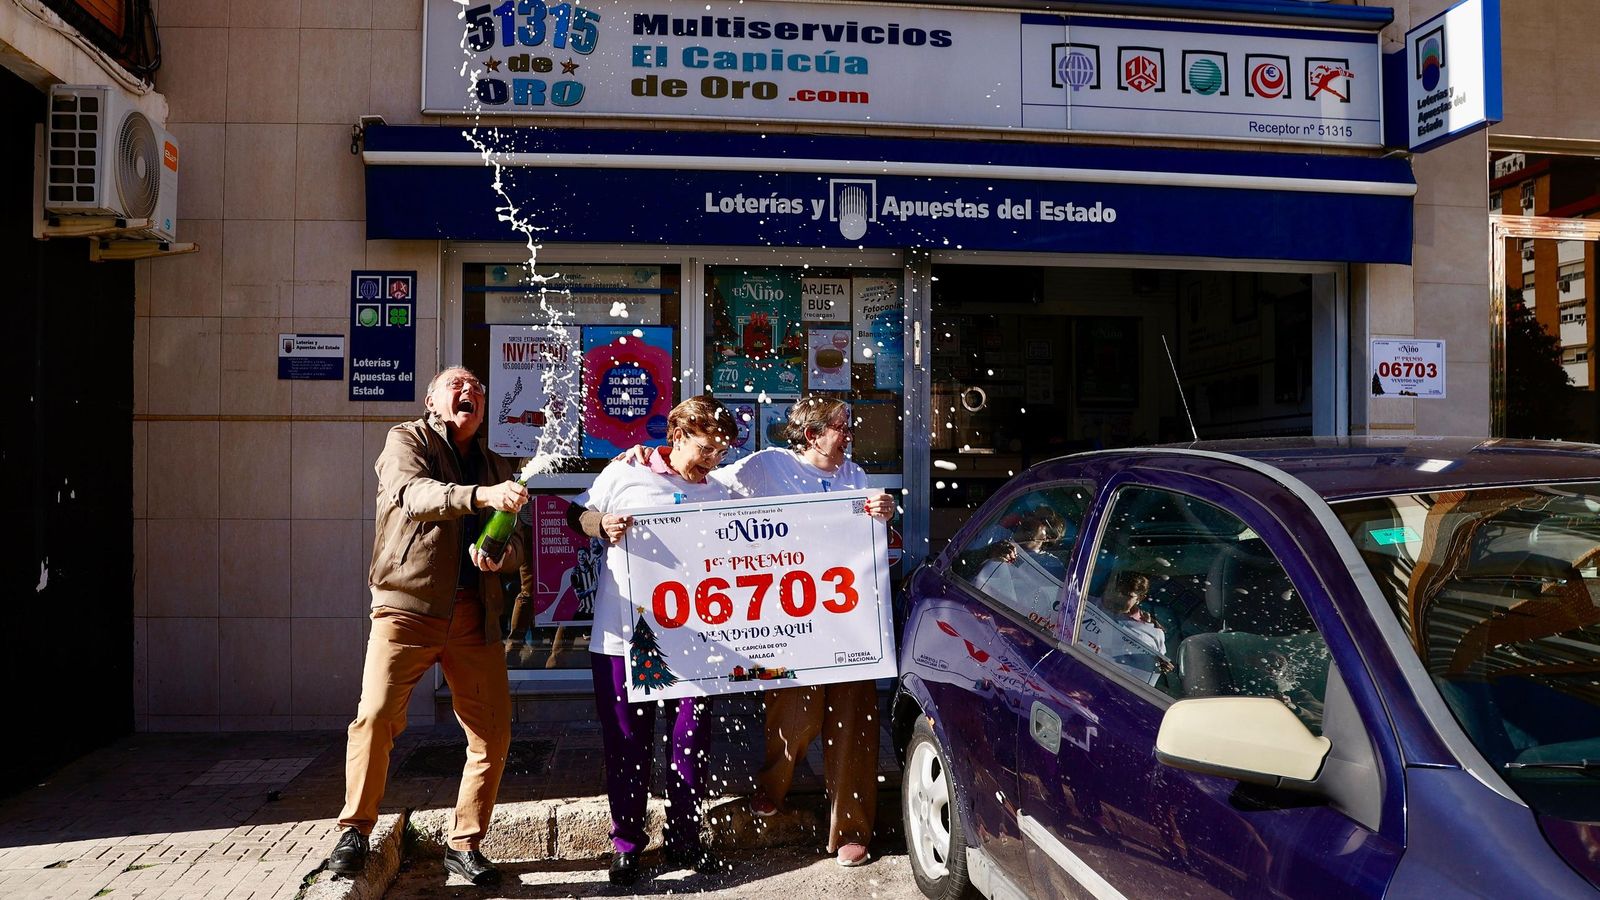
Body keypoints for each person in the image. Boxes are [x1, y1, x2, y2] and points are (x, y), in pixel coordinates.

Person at [325, 366, 529, 887]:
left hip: (472, 618)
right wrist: (482, 497)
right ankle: (355, 829)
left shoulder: (490, 461)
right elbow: (414, 496)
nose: (471, 393)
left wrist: (498, 552)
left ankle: (465, 844)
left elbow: (516, 547)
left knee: (493, 732)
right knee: (374, 718)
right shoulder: (405, 439)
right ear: (432, 399)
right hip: (406, 610)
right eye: (458, 386)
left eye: (479, 389)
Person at [710, 395, 895, 868]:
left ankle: (851, 829)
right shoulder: (769, 466)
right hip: (788, 620)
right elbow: (704, 490)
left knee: (854, 723)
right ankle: (772, 784)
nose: (848, 432)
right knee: (792, 713)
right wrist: (652, 465)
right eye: (840, 425)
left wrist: (883, 511)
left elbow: (863, 537)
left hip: (846, 619)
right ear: (812, 434)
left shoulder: (853, 475)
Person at [571, 395, 739, 886]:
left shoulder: (720, 488)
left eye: (721, 451)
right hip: (624, 637)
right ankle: (626, 842)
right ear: (679, 435)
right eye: (706, 449)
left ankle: (686, 834)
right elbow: (577, 514)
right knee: (627, 741)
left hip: (696, 640)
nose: (713, 460)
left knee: (690, 740)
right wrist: (601, 525)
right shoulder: (626, 472)